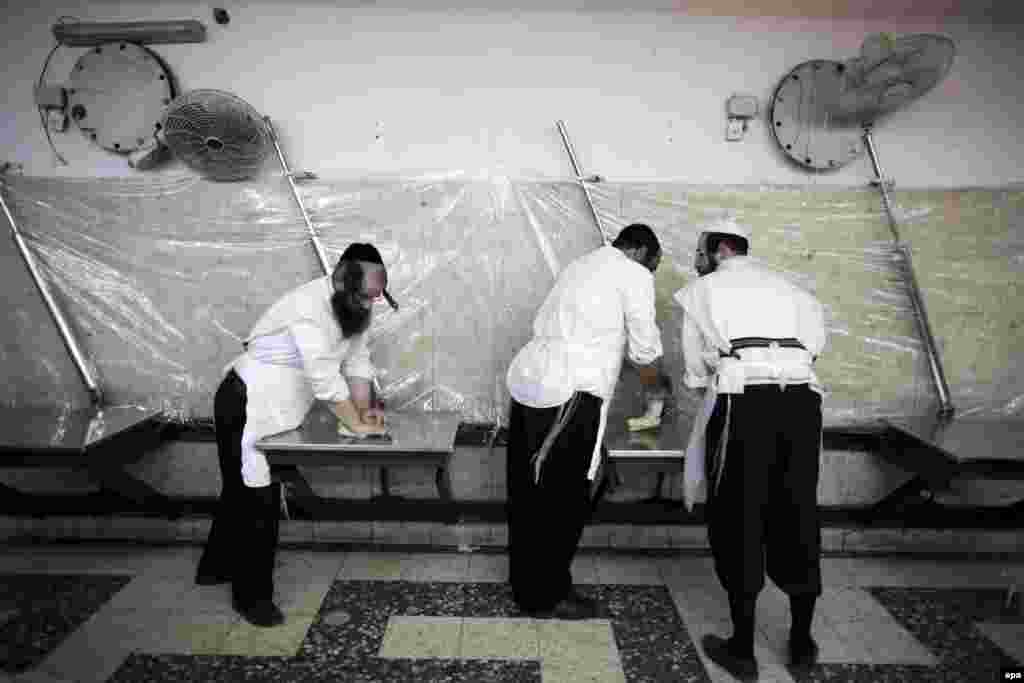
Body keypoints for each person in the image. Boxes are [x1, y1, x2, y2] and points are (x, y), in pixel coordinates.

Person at [194, 243, 393, 627]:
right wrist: (357, 424)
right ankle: (252, 598)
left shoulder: (352, 309)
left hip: (279, 408)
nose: (368, 306)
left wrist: (365, 415)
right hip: (247, 402)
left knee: (239, 488)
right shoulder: (307, 309)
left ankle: (213, 569)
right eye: (362, 297)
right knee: (257, 496)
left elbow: (357, 361)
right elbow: (324, 380)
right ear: (339, 281)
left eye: (373, 298)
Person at [673, 219, 827, 680]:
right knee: (797, 510)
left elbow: (697, 375)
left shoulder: (702, 292)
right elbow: (814, 350)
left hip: (744, 405)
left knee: (739, 514)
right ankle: (801, 643)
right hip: (802, 404)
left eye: (700, 251)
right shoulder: (795, 292)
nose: (696, 260)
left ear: (720, 250)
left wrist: (713, 379)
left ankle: (742, 648)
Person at [505, 223, 668, 619]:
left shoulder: (579, 266)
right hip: (570, 389)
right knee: (564, 497)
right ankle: (549, 594)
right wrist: (658, 395)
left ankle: (527, 588)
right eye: (654, 266)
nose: (652, 274)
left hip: (531, 382)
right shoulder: (633, 274)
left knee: (529, 492)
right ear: (642, 252)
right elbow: (645, 348)